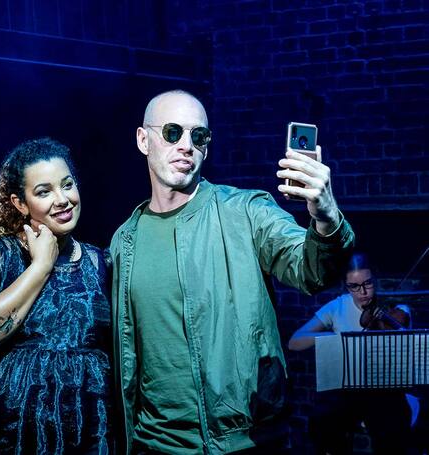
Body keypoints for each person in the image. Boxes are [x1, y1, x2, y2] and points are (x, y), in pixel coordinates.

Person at [108, 89, 355, 454]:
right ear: (144, 140)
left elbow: (311, 270)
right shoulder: (124, 242)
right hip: (154, 444)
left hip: (244, 443)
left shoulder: (246, 212)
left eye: (199, 136)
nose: (186, 146)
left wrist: (326, 214)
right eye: (173, 132)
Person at [0, 137, 112, 454]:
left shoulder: (102, 263)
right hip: (8, 435)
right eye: (44, 192)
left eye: (67, 185)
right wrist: (41, 266)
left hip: (86, 435)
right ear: (20, 203)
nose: (62, 200)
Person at [289, 253, 413, 454]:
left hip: (384, 390)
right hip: (349, 391)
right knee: (322, 422)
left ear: (375, 279)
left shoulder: (395, 309)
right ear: (346, 285)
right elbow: (295, 341)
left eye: (368, 283)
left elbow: (405, 344)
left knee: (394, 425)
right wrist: (334, 336)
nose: (363, 292)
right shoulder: (337, 307)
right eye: (354, 286)